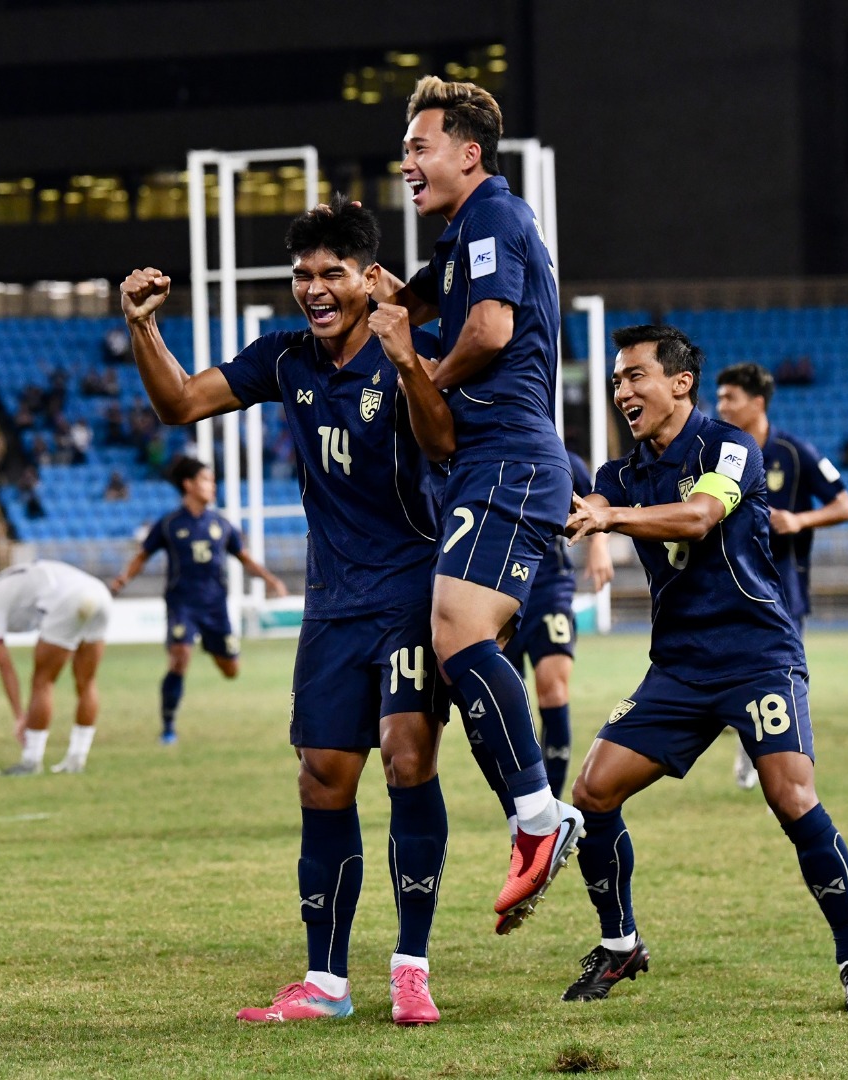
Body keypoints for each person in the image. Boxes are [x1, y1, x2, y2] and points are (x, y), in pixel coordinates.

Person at [121, 199, 458, 1024]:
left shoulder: (408, 347)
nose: (314, 289)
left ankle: (411, 967)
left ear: (367, 278)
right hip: (332, 603)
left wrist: (408, 361)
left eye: (331, 274)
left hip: (411, 592)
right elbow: (180, 404)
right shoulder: (284, 358)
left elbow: (446, 443)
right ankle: (326, 983)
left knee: (407, 757)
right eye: (302, 275)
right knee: (322, 777)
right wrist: (142, 326)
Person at [562, 325, 848, 1014]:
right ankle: (620, 944)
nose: (622, 391)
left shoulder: (731, 446)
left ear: (681, 383)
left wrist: (610, 520)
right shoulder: (617, 475)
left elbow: (699, 517)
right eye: (617, 380)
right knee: (591, 792)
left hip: (756, 655)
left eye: (635, 376)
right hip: (679, 667)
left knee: (792, 798)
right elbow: (604, 512)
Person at [373, 75, 583, 931]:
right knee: (460, 643)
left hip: (510, 459)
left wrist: (422, 372)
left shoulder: (494, 213)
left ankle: (539, 817)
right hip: (487, 465)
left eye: (419, 147)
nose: (407, 163)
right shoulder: (463, 235)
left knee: (457, 629)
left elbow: (490, 330)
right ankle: (533, 817)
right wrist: (367, 288)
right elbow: (412, 300)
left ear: (469, 152)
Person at [715, 362, 848, 790]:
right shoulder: (717, 453)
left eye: (730, 398)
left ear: (757, 403)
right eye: (719, 398)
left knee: (780, 676)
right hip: (728, 584)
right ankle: (749, 750)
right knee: (734, 672)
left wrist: (799, 520)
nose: (721, 406)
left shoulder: (794, 452)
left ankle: (777, 767)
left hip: (783, 587)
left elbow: (846, 505)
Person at [110, 456, 288, 745]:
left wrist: (270, 580)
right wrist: (122, 580)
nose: (212, 486)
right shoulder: (169, 524)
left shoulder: (221, 525)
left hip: (215, 607)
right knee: (179, 656)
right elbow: (142, 556)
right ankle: (168, 728)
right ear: (188, 485)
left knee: (231, 671)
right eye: (206, 480)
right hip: (182, 604)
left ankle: (210, 642)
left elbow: (244, 558)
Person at [501, 449, 613, 803]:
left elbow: (596, 506)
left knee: (553, 689)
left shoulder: (561, 458)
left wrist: (599, 546)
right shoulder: (484, 452)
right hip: (498, 590)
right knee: (507, 702)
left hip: (550, 587)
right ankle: (525, 800)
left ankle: (552, 801)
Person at [0, 559, 112, 775]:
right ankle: (76, 759)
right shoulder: (1, 589)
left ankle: (31, 760)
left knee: (43, 681)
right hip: (99, 593)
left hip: (67, 598)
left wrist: (20, 717)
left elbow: (5, 667)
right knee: (87, 682)